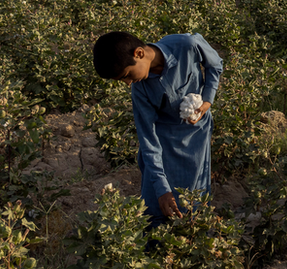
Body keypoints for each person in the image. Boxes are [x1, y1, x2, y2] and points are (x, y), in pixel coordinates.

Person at [93, 31, 222, 226]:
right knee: (155, 205)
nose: (128, 83)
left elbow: (215, 65)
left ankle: (192, 241)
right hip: (163, 142)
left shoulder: (186, 45)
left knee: (193, 199)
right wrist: (162, 190)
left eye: (127, 75)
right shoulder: (140, 89)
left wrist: (206, 101)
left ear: (139, 53)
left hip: (196, 137)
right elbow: (148, 141)